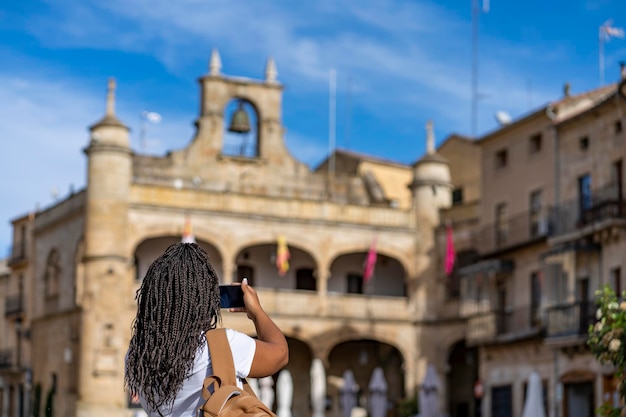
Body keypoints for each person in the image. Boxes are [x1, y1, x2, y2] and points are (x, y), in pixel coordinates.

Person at [125, 242, 289, 417]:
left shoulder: (135, 357)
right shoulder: (219, 345)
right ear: (205, 299)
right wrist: (256, 312)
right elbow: (280, 354)